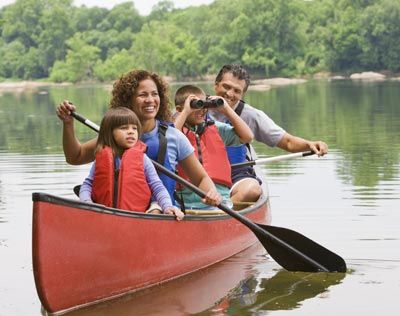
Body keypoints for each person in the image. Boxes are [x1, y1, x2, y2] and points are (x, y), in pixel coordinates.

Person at [56, 69, 222, 210]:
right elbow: (75, 157)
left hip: (161, 214)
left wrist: (211, 192)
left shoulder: (174, 136)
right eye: (143, 95)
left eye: (154, 94)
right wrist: (68, 123)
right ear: (128, 99)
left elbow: (200, 178)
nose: (150, 100)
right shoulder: (113, 135)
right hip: (118, 214)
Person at [211, 64, 328, 203]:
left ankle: (223, 212)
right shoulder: (195, 108)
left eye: (237, 91)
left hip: (236, 174)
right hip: (201, 173)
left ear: (243, 94)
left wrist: (310, 144)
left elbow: (288, 142)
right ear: (216, 85)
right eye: (226, 86)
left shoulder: (250, 115)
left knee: (252, 191)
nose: (230, 94)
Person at [79, 107, 184, 220]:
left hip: (138, 215)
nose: (131, 131)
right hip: (106, 214)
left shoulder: (143, 159)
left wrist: (167, 206)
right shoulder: (101, 159)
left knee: (155, 208)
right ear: (110, 133)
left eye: (134, 128)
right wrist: (87, 202)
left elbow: (157, 187)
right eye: (124, 128)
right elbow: (88, 184)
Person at [173, 84, 253, 209]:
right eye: (196, 105)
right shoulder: (175, 131)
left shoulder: (216, 128)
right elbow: (170, 139)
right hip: (185, 202)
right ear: (179, 109)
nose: (202, 110)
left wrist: (227, 109)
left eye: (205, 106)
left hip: (219, 199)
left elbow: (247, 136)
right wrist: (185, 112)